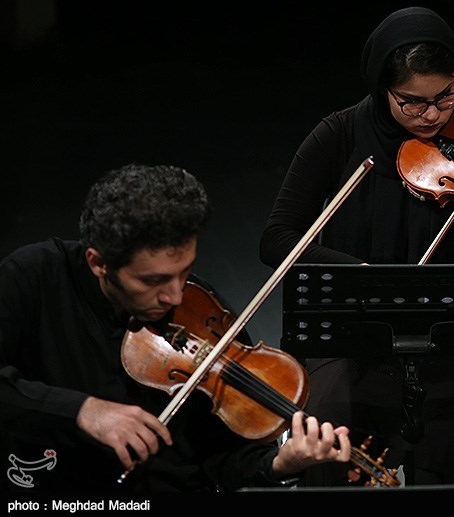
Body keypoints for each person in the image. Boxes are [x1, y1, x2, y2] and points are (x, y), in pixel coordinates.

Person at [259, 6, 454, 487]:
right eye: (412, 102)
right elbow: (278, 239)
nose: (432, 115)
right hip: (355, 339)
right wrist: (363, 273)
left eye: (446, 97)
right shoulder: (339, 135)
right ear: (381, 87)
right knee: (330, 433)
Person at [0, 163, 352, 493]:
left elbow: (224, 462)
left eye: (184, 272)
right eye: (153, 280)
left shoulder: (200, 308)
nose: (175, 295)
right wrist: (82, 410)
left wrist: (279, 464)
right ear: (99, 263)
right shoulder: (35, 277)